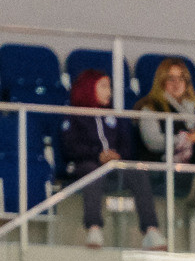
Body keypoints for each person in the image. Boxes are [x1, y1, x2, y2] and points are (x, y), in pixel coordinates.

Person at [59, 70, 159, 250]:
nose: (109, 91)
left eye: (109, 87)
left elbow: (127, 145)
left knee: (138, 171)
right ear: (89, 88)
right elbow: (71, 147)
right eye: (104, 86)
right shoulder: (74, 115)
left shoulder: (115, 116)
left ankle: (151, 230)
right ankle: (94, 228)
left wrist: (117, 155)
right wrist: (98, 154)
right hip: (86, 164)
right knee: (91, 171)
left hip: (115, 165)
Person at [139, 57, 195, 253]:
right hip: (171, 165)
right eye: (171, 78)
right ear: (161, 81)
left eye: (182, 79)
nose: (177, 83)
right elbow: (153, 142)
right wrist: (186, 139)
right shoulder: (151, 107)